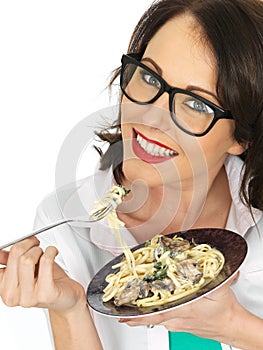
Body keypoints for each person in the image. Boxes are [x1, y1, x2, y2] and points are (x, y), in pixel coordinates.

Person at [0, 0, 263, 349]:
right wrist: (70, 309)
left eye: (197, 103)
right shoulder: (66, 222)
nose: (151, 117)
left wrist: (236, 327)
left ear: (241, 134)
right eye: (150, 77)